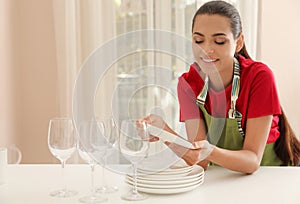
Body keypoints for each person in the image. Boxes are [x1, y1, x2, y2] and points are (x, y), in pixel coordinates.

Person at [141, 0, 300, 174]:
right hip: (223, 178)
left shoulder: (259, 77)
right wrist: (164, 132)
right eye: (199, 40)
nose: (206, 50)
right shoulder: (188, 83)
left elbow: (252, 161)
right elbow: (200, 161)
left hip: (271, 176)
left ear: (238, 43)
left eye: (219, 41)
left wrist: (211, 152)